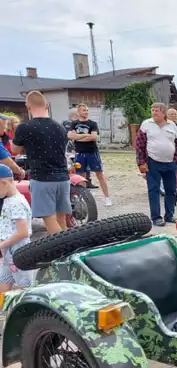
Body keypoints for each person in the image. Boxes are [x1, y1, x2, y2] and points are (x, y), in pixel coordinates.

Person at [12, 91, 71, 234]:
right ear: (46, 105)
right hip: (63, 178)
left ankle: (64, 251)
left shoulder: (25, 127)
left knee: (50, 222)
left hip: (42, 179)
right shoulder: (60, 127)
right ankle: (69, 249)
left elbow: (15, 150)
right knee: (61, 220)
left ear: (28, 107)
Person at [135, 103, 177, 227]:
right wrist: (141, 162)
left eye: (156, 111)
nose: (153, 113)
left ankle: (169, 216)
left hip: (170, 164)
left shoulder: (172, 125)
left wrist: (176, 160)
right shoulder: (146, 124)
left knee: (171, 191)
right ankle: (156, 217)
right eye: (152, 110)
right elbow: (139, 145)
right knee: (153, 190)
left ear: (163, 113)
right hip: (152, 162)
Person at [68, 104, 112, 206]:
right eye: (84, 110)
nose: (86, 112)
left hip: (92, 152)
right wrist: (85, 135)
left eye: (87, 110)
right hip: (79, 153)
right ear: (78, 112)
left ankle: (107, 197)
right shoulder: (74, 124)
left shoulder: (93, 123)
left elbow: (93, 137)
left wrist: (78, 137)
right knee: (81, 176)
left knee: (100, 174)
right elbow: (70, 136)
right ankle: (82, 198)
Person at [0, 162, 33, 291]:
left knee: (23, 284)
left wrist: (2, 245)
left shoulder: (16, 202)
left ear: (3, 183)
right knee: (3, 280)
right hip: (8, 250)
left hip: (19, 250)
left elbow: (23, 232)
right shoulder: (8, 199)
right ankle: (3, 308)